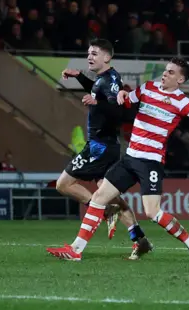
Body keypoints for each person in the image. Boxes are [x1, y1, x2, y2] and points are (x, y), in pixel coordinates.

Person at [50, 57, 189, 262]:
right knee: (98, 198)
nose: (165, 74)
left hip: (150, 163)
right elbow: (126, 100)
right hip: (129, 158)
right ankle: (76, 250)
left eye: (171, 72)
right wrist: (121, 94)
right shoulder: (148, 88)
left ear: (180, 80)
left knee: (153, 213)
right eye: (166, 70)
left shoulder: (183, 102)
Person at [46, 38, 152, 261]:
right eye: (88, 53)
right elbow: (99, 94)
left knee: (64, 184)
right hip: (106, 146)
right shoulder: (103, 80)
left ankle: (100, 216)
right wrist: (80, 77)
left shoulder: (111, 80)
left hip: (99, 148)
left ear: (107, 57)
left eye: (94, 53)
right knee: (110, 194)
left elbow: (119, 111)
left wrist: (98, 105)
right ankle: (139, 239)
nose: (89, 57)